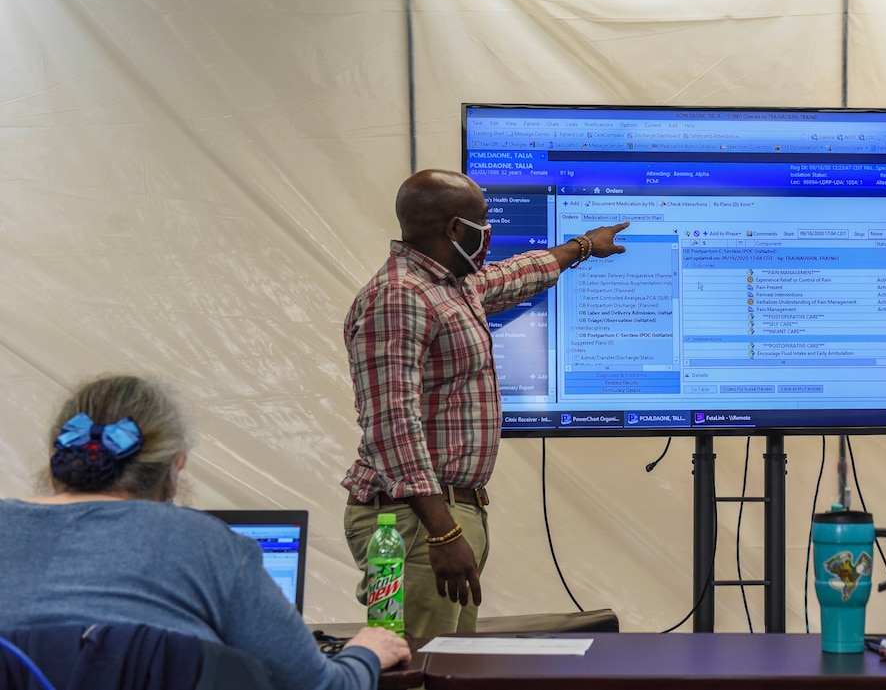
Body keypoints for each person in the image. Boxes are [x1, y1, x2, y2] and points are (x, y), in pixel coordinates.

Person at [341, 168, 629, 639]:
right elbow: (391, 423)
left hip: (441, 517)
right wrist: (444, 532)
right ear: (455, 229)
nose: (489, 231)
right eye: (483, 220)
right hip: (414, 523)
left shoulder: (450, 285)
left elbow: (512, 277)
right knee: (414, 665)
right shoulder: (399, 296)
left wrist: (582, 247)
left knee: (448, 664)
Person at [0, 374, 410, 690]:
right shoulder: (210, 545)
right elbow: (317, 685)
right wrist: (365, 652)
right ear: (175, 466)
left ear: (57, 457)